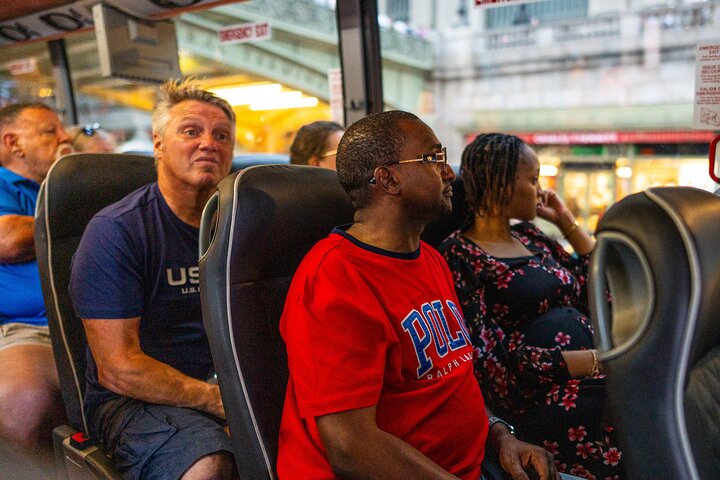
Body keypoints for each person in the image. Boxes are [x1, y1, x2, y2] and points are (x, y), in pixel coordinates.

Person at [278, 111, 561, 480]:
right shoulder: (334, 279)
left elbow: (454, 377)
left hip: (473, 466)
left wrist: (500, 436)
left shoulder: (429, 258)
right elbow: (351, 447)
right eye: (433, 158)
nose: (449, 173)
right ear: (388, 178)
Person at [69, 79, 238, 480]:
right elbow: (118, 368)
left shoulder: (242, 225)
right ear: (158, 144)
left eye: (221, 136)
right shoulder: (117, 230)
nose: (208, 144)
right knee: (210, 466)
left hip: (228, 385)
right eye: (191, 131)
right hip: (134, 399)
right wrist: (216, 400)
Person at [439, 133, 624, 479]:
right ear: (502, 184)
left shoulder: (532, 236)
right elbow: (491, 365)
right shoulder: (459, 255)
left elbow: (602, 289)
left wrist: (565, 221)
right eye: (534, 179)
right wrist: (594, 361)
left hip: (595, 373)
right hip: (543, 398)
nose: (541, 191)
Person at [0, 103, 72, 461]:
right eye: (49, 131)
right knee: (23, 396)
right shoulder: (5, 186)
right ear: (14, 143)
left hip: (101, 319)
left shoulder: (70, 185)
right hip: (29, 327)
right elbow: (8, 239)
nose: (65, 137)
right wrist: (77, 205)